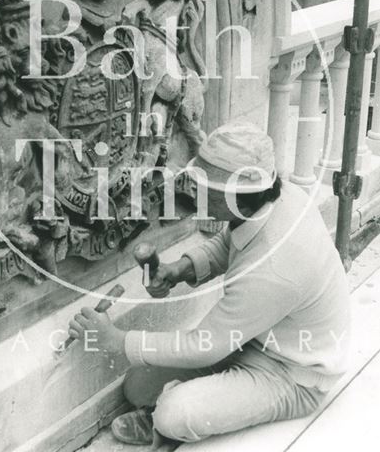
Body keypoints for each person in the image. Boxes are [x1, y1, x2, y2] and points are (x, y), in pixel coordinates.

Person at [68, 121, 351, 448]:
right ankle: (195, 398)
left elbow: (205, 346)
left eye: (205, 187)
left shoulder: (275, 268)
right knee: (138, 386)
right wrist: (181, 269)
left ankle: (165, 421)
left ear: (238, 198)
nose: (194, 191)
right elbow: (232, 241)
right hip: (258, 335)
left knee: (174, 413)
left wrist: (116, 340)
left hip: (294, 373)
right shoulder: (274, 198)